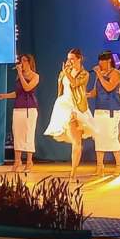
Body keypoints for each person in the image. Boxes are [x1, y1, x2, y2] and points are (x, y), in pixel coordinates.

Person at [43, 49, 95, 180]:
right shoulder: (64, 72)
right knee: (73, 139)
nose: (69, 61)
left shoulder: (84, 74)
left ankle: (73, 172)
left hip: (77, 107)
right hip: (64, 105)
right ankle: (73, 171)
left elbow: (74, 83)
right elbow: (61, 88)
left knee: (77, 141)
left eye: (72, 59)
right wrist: (64, 73)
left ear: (79, 59)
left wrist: (66, 73)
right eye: (68, 58)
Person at [0, 54, 40, 173]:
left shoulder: (35, 76)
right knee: (17, 135)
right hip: (18, 108)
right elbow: (17, 93)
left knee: (28, 134)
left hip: (29, 109)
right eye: (20, 60)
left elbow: (27, 88)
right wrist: (4, 96)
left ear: (30, 62)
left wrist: (20, 74)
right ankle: (17, 161)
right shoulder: (19, 76)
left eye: (24, 60)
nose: (21, 63)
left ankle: (29, 162)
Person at [87, 52, 120, 177]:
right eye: (99, 60)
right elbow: (94, 92)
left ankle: (118, 165)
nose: (99, 63)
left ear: (108, 61)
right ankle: (100, 167)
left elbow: (109, 87)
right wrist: (84, 95)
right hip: (99, 110)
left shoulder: (116, 73)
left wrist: (99, 75)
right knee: (99, 138)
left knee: (111, 137)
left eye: (102, 61)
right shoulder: (100, 75)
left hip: (112, 110)